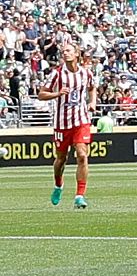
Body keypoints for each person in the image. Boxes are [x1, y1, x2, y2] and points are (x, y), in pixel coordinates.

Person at [38, 42, 95, 209]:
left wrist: (92, 102)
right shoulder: (57, 74)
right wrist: (57, 93)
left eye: (68, 51)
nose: (65, 53)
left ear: (76, 53)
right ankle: (58, 185)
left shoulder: (86, 73)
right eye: (63, 51)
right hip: (62, 123)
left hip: (81, 121)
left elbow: (92, 88)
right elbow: (41, 94)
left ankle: (79, 196)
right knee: (61, 159)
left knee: (82, 155)